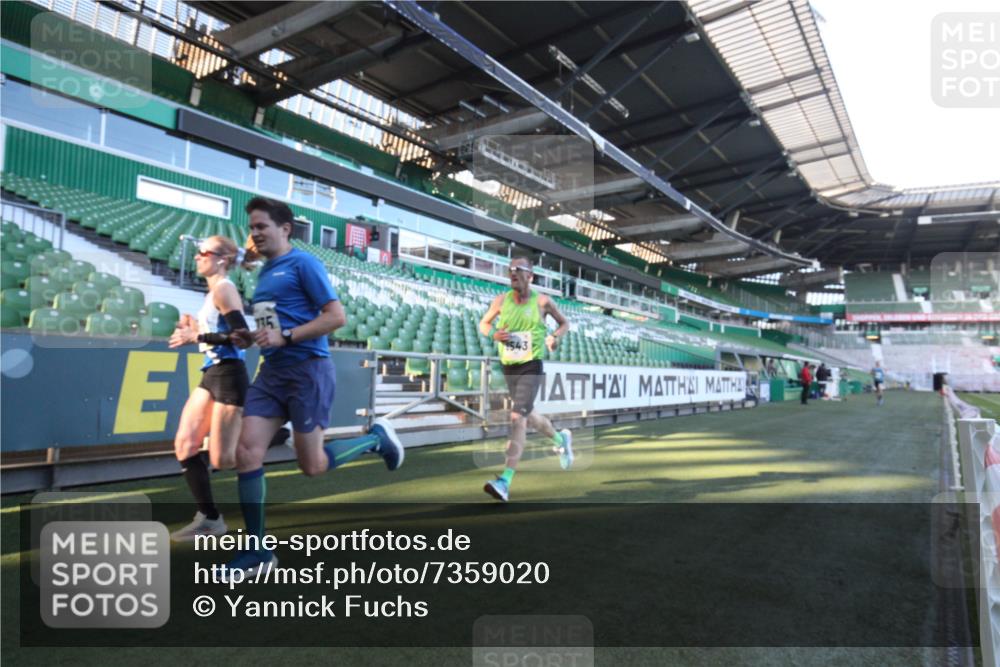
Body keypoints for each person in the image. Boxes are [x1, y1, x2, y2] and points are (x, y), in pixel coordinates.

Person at [221, 197, 403, 578]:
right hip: (271, 374)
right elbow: (272, 328)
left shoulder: (304, 263)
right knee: (246, 452)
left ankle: (375, 438)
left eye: (261, 227)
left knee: (313, 466)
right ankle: (256, 551)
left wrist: (286, 336)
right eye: (251, 227)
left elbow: (336, 317)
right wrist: (249, 337)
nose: (254, 234)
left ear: (285, 229)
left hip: (308, 372)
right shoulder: (264, 273)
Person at [168, 236, 252, 541]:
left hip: (230, 374)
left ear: (222, 260)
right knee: (185, 444)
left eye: (204, 252)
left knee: (222, 460)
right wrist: (194, 328)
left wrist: (197, 337)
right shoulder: (211, 292)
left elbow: (242, 336)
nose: (197, 257)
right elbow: (216, 332)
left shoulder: (225, 289)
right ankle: (210, 519)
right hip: (212, 372)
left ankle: (279, 433)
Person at [478, 256, 572, 502]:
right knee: (529, 416)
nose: (513, 273)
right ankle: (561, 439)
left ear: (530, 276)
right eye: (510, 269)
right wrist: (494, 334)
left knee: (517, 417)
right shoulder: (501, 301)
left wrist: (554, 337)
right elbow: (483, 324)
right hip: (509, 366)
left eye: (518, 270)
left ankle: (505, 480)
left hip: (531, 365)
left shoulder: (543, 302)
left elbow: (565, 323)